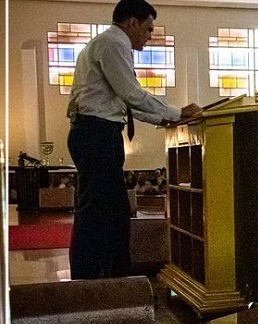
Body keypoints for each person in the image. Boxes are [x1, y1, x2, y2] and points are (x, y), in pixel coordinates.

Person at [66, 0, 201, 279]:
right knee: (100, 210)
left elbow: (125, 103)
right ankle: (97, 279)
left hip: (95, 132)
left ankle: (108, 275)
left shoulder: (108, 44)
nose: (149, 36)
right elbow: (132, 94)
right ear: (132, 23)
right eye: (148, 29)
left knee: (109, 209)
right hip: (97, 134)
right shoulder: (113, 44)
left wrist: (163, 118)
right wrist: (177, 112)